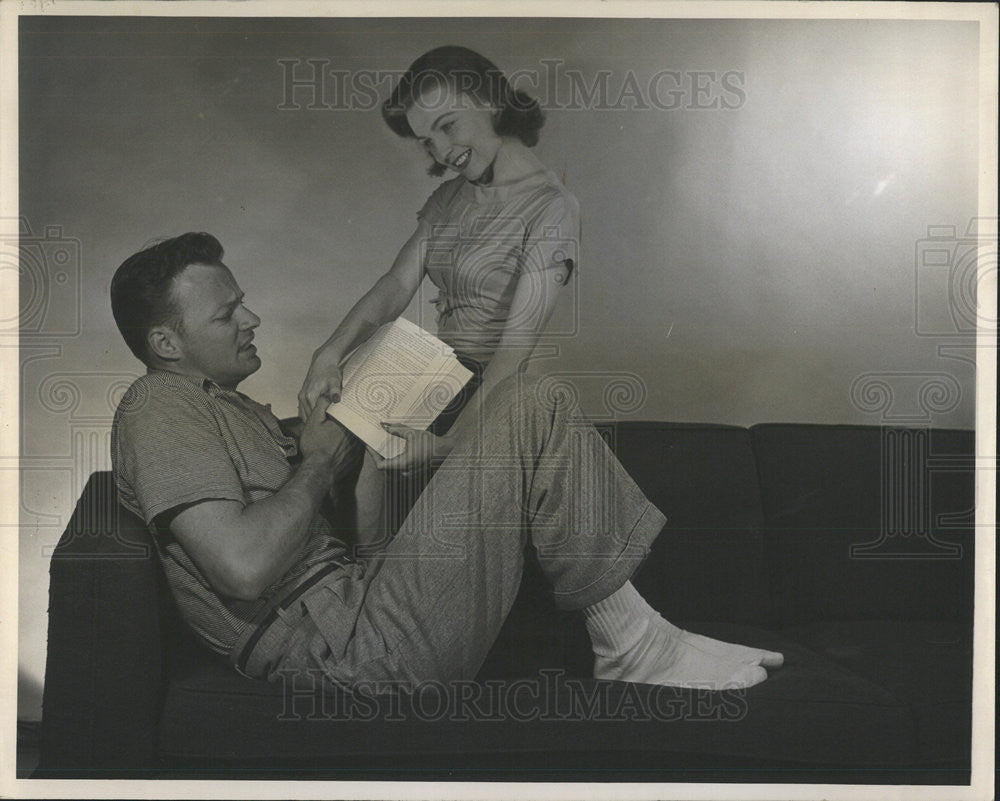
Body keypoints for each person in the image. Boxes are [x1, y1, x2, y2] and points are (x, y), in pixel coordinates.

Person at [109, 233, 782, 693]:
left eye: (242, 301)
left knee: (515, 405)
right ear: (166, 341)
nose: (252, 317)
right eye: (227, 314)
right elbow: (243, 565)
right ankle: (635, 645)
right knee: (531, 402)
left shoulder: (235, 409)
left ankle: (640, 638)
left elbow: (346, 542)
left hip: (366, 605)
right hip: (351, 655)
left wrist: (357, 444)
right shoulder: (157, 403)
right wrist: (318, 463)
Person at [297, 46, 583, 540]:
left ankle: (375, 592)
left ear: (492, 102)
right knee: (322, 432)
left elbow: (514, 349)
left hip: (492, 384)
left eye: (448, 126)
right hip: (433, 367)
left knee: (361, 443)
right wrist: (329, 353)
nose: (442, 152)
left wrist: (449, 443)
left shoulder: (552, 207)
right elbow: (397, 284)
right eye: (427, 141)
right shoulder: (449, 198)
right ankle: (360, 590)